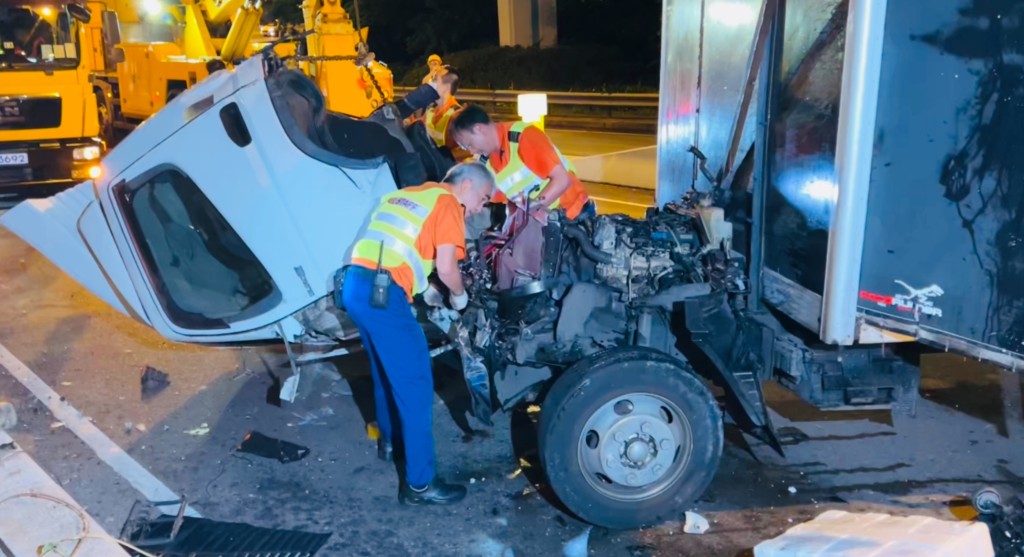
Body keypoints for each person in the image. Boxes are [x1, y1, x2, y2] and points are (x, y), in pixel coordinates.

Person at [341, 162, 495, 506]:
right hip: (384, 294)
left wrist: (425, 289)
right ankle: (420, 485)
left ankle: (390, 442)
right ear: (466, 184)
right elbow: (446, 267)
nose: (480, 208)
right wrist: (459, 295)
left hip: (356, 286)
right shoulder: (446, 203)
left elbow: (402, 250)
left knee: (383, 370)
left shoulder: (406, 195)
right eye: (483, 199)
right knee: (416, 384)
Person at [449, 105, 594, 221]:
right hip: (543, 225)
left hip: (574, 214)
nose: (471, 151)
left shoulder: (523, 136)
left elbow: (562, 180)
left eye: (468, 145)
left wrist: (530, 212)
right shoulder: (486, 164)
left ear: (478, 129)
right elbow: (505, 204)